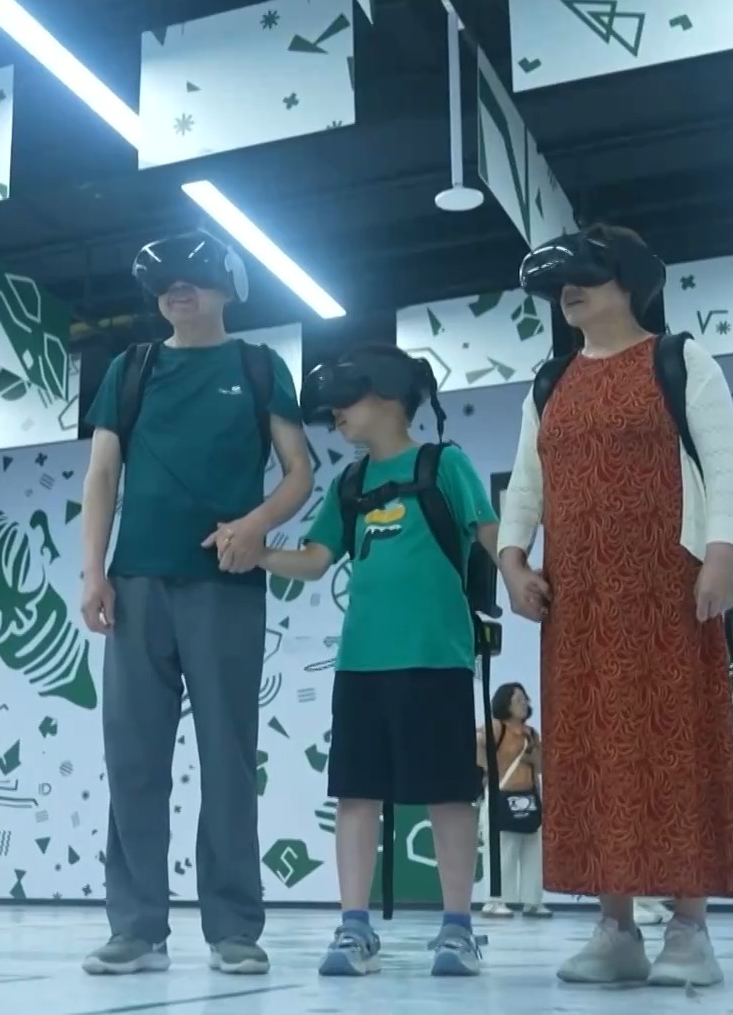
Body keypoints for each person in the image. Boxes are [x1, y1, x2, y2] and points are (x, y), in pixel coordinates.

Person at [497, 225, 733, 988]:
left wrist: (720, 556)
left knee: (677, 742)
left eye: (587, 278)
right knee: (592, 752)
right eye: (561, 285)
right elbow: (526, 484)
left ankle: (690, 929)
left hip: (670, 590)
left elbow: (725, 468)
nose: (569, 293)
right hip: (578, 602)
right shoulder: (550, 382)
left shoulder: (681, 360)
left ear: (633, 283)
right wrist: (513, 562)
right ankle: (615, 930)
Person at [78, 231, 313, 976]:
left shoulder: (258, 366)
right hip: (136, 584)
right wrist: (93, 572)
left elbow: (299, 471)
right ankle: (137, 927)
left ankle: (234, 927)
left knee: (228, 759)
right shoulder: (131, 368)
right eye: (166, 283)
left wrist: (256, 526)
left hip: (224, 586)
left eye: (194, 278)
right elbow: (102, 476)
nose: (178, 290)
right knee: (133, 759)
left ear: (227, 287)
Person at [260, 344, 498, 977]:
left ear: (390, 397)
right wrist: (256, 552)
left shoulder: (445, 464)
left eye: (347, 400)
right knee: (355, 794)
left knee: (449, 795)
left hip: (438, 660)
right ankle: (354, 927)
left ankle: (457, 929)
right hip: (360, 665)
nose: (335, 414)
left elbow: (491, 536)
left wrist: (526, 579)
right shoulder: (350, 483)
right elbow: (315, 560)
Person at [478, 682, 549, 920]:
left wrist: (534, 757)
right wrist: (485, 770)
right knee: (502, 850)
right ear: (505, 703)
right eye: (518, 699)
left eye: (525, 698)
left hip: (528, 796)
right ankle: (495, 900)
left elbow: (541, 766)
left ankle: (533, 901)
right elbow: (477, 745)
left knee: (533, 850)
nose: (524, 703)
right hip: (501, 795)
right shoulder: (496, 728)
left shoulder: (531, 733)